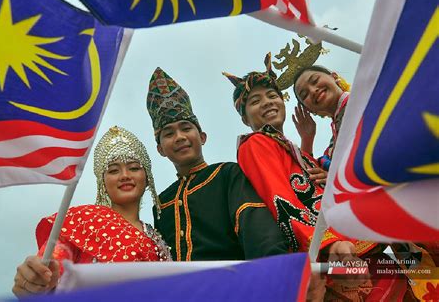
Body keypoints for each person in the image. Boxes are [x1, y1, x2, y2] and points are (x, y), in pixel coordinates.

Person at [221, 54, 408, 301]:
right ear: (245, 118)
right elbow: (282, 199)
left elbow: (311, 182)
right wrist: (328, 244)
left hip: (359, 247)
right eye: (255, 101)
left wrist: (306, 143)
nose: (267, 102)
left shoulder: (293, 149)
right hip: (334, 256)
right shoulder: (255, 143)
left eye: (273, 96)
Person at [146, 67, 326, 301]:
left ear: (202, 137)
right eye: (168, 133)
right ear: (160, 149)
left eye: (186, 128)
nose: (179, 137)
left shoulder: (227, 174)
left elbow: (257, 229)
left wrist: (279, 280)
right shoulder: (162, 203)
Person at [12, 126, 172, 296]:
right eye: (113, 170)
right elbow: (49, 267)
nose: (125, 175)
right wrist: (35, 280)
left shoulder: (158, 237)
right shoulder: (82, 222)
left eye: (134, 168)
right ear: (103, 182)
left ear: (147, 178)